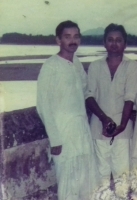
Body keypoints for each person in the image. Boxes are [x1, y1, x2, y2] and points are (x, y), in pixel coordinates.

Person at [36, 20, 98, 199]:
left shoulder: (76, 62)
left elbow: (86, 91)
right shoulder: (50, 66)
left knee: (87, 184)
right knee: (68, 186)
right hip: (63, 137)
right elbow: (43, 105)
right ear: (58, 40)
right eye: (67, 37)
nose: (73, 41)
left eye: (76, 36)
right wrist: (55, 139)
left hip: (82, 132)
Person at [85, 24, 137, 184]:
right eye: (110, 40)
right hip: (98, 128)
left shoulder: (132, 66)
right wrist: (104, 119)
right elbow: (89, 95)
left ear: (125, 44)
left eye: (118, 40)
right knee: (101, 177)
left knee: (122, 177)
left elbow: (130, 98)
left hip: (123, 131)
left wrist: (122, 125)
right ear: (104, 43)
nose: (114, 44)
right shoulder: (95, 66)